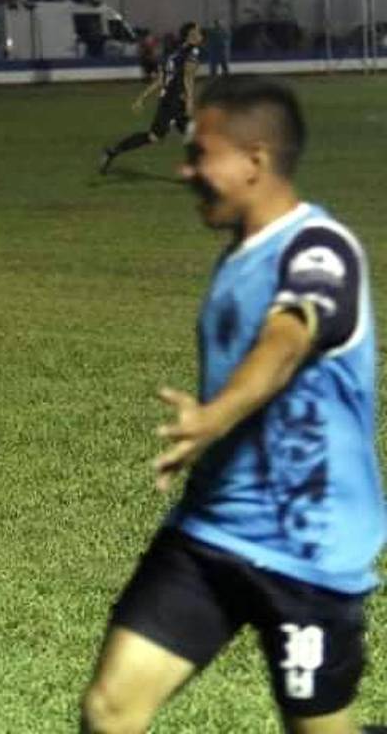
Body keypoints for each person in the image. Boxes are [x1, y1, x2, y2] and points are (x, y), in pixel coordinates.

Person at [81, 77, 385, 734]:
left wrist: (215, 416)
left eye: (200, 155)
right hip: (212, 531)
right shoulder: (239, 257)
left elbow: (287, 339)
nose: (184, 171)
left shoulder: (318, 248)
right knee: (110, 710)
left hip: (307, 547)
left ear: (255, 160)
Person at [100, 21, 203, 175]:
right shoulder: (193, 52)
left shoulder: (174, 54)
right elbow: (188, 79)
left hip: (171, 101)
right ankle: (112, 152)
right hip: (173, 103)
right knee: (155, 136)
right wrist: (190, 101)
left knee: (193, 134)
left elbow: (160, 80)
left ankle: (203, 172)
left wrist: (142, 98)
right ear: (190, 36)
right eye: (198, 32)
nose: (201, 35)